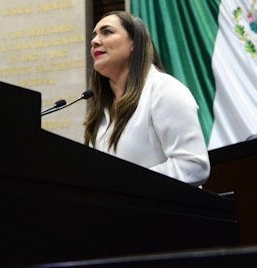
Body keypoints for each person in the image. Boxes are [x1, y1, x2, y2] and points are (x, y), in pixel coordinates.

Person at [84, 11, 210, 186]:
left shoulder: (164, 90)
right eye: (94, 35)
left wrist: (127, 186)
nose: (95, 41)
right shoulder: (101, 109)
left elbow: (193, 166)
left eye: (107, 32)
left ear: (134, 43)